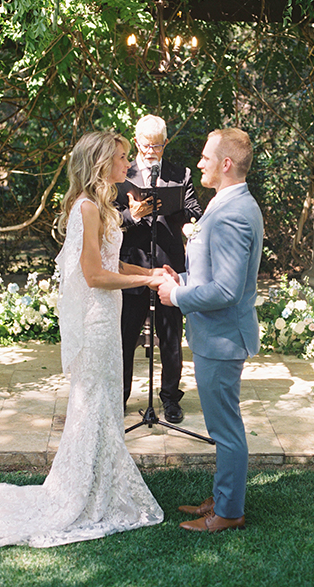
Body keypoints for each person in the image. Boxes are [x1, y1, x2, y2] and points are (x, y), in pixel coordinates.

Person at [0, 132, 164, 560]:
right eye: (123, 159)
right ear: (102, 164)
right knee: (95, 405)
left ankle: (97, 486)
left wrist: (149, 269)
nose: (128, 165)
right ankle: (82, 494)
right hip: (97, 320)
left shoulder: (102, 206)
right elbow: (93, 276)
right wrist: (147, 281)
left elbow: (110, 263)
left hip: (107, 316)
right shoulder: (86, 208)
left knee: (105, 405)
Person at [158, 127, 263, 533]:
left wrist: (177, 297)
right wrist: (182, 278)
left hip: (222, 338)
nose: (198, 163)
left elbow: (227, 290)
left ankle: (229, 512)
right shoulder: (226, 202)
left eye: (205, 157)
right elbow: (212, 274)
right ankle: (222, 497)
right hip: (212, 335)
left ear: (225, 164)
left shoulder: (234, 211)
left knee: (226, 430)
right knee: (222, 426)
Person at [115, 115, 202, 424]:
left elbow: (195, 211)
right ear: (136, 141)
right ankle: (120, 396)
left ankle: (170, 398)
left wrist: (171, 206)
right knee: (125, 337)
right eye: (145, 144)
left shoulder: (181, 174)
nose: (151, 150)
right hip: (131, 266)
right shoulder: (121, 173)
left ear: (166, 143)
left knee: (170, 338)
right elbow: (110, 217)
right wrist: (133, 214)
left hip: (168, 267)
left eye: (158, 145)